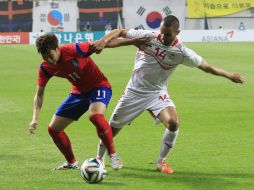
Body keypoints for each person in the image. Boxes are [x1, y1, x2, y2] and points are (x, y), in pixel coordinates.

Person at [96, 15, 245, 174]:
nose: (163, 37)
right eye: (162, 32)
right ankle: (99, 159)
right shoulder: (149, 37)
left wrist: (229, 75)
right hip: (134, 91)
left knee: (173, 123)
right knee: (113, 129)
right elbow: (120, 31)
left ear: (177, 32)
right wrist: (103, 41)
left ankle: (161, 162)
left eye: (168, 34)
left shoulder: (182, 52)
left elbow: (206, 67)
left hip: (156, 93)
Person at [28, 30, 149, 170]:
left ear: (57, 48)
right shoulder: (46, 67)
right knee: (54, 129)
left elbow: (105, 43)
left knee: (95, 116)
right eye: (44, 56)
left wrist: (134, 41)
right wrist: (35, 118)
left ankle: (113, 155)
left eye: (49, 55)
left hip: (99, 87)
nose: (48, 59)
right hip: (78, 93)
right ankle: (71, 163)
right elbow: (39, 94)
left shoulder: (75, 49)